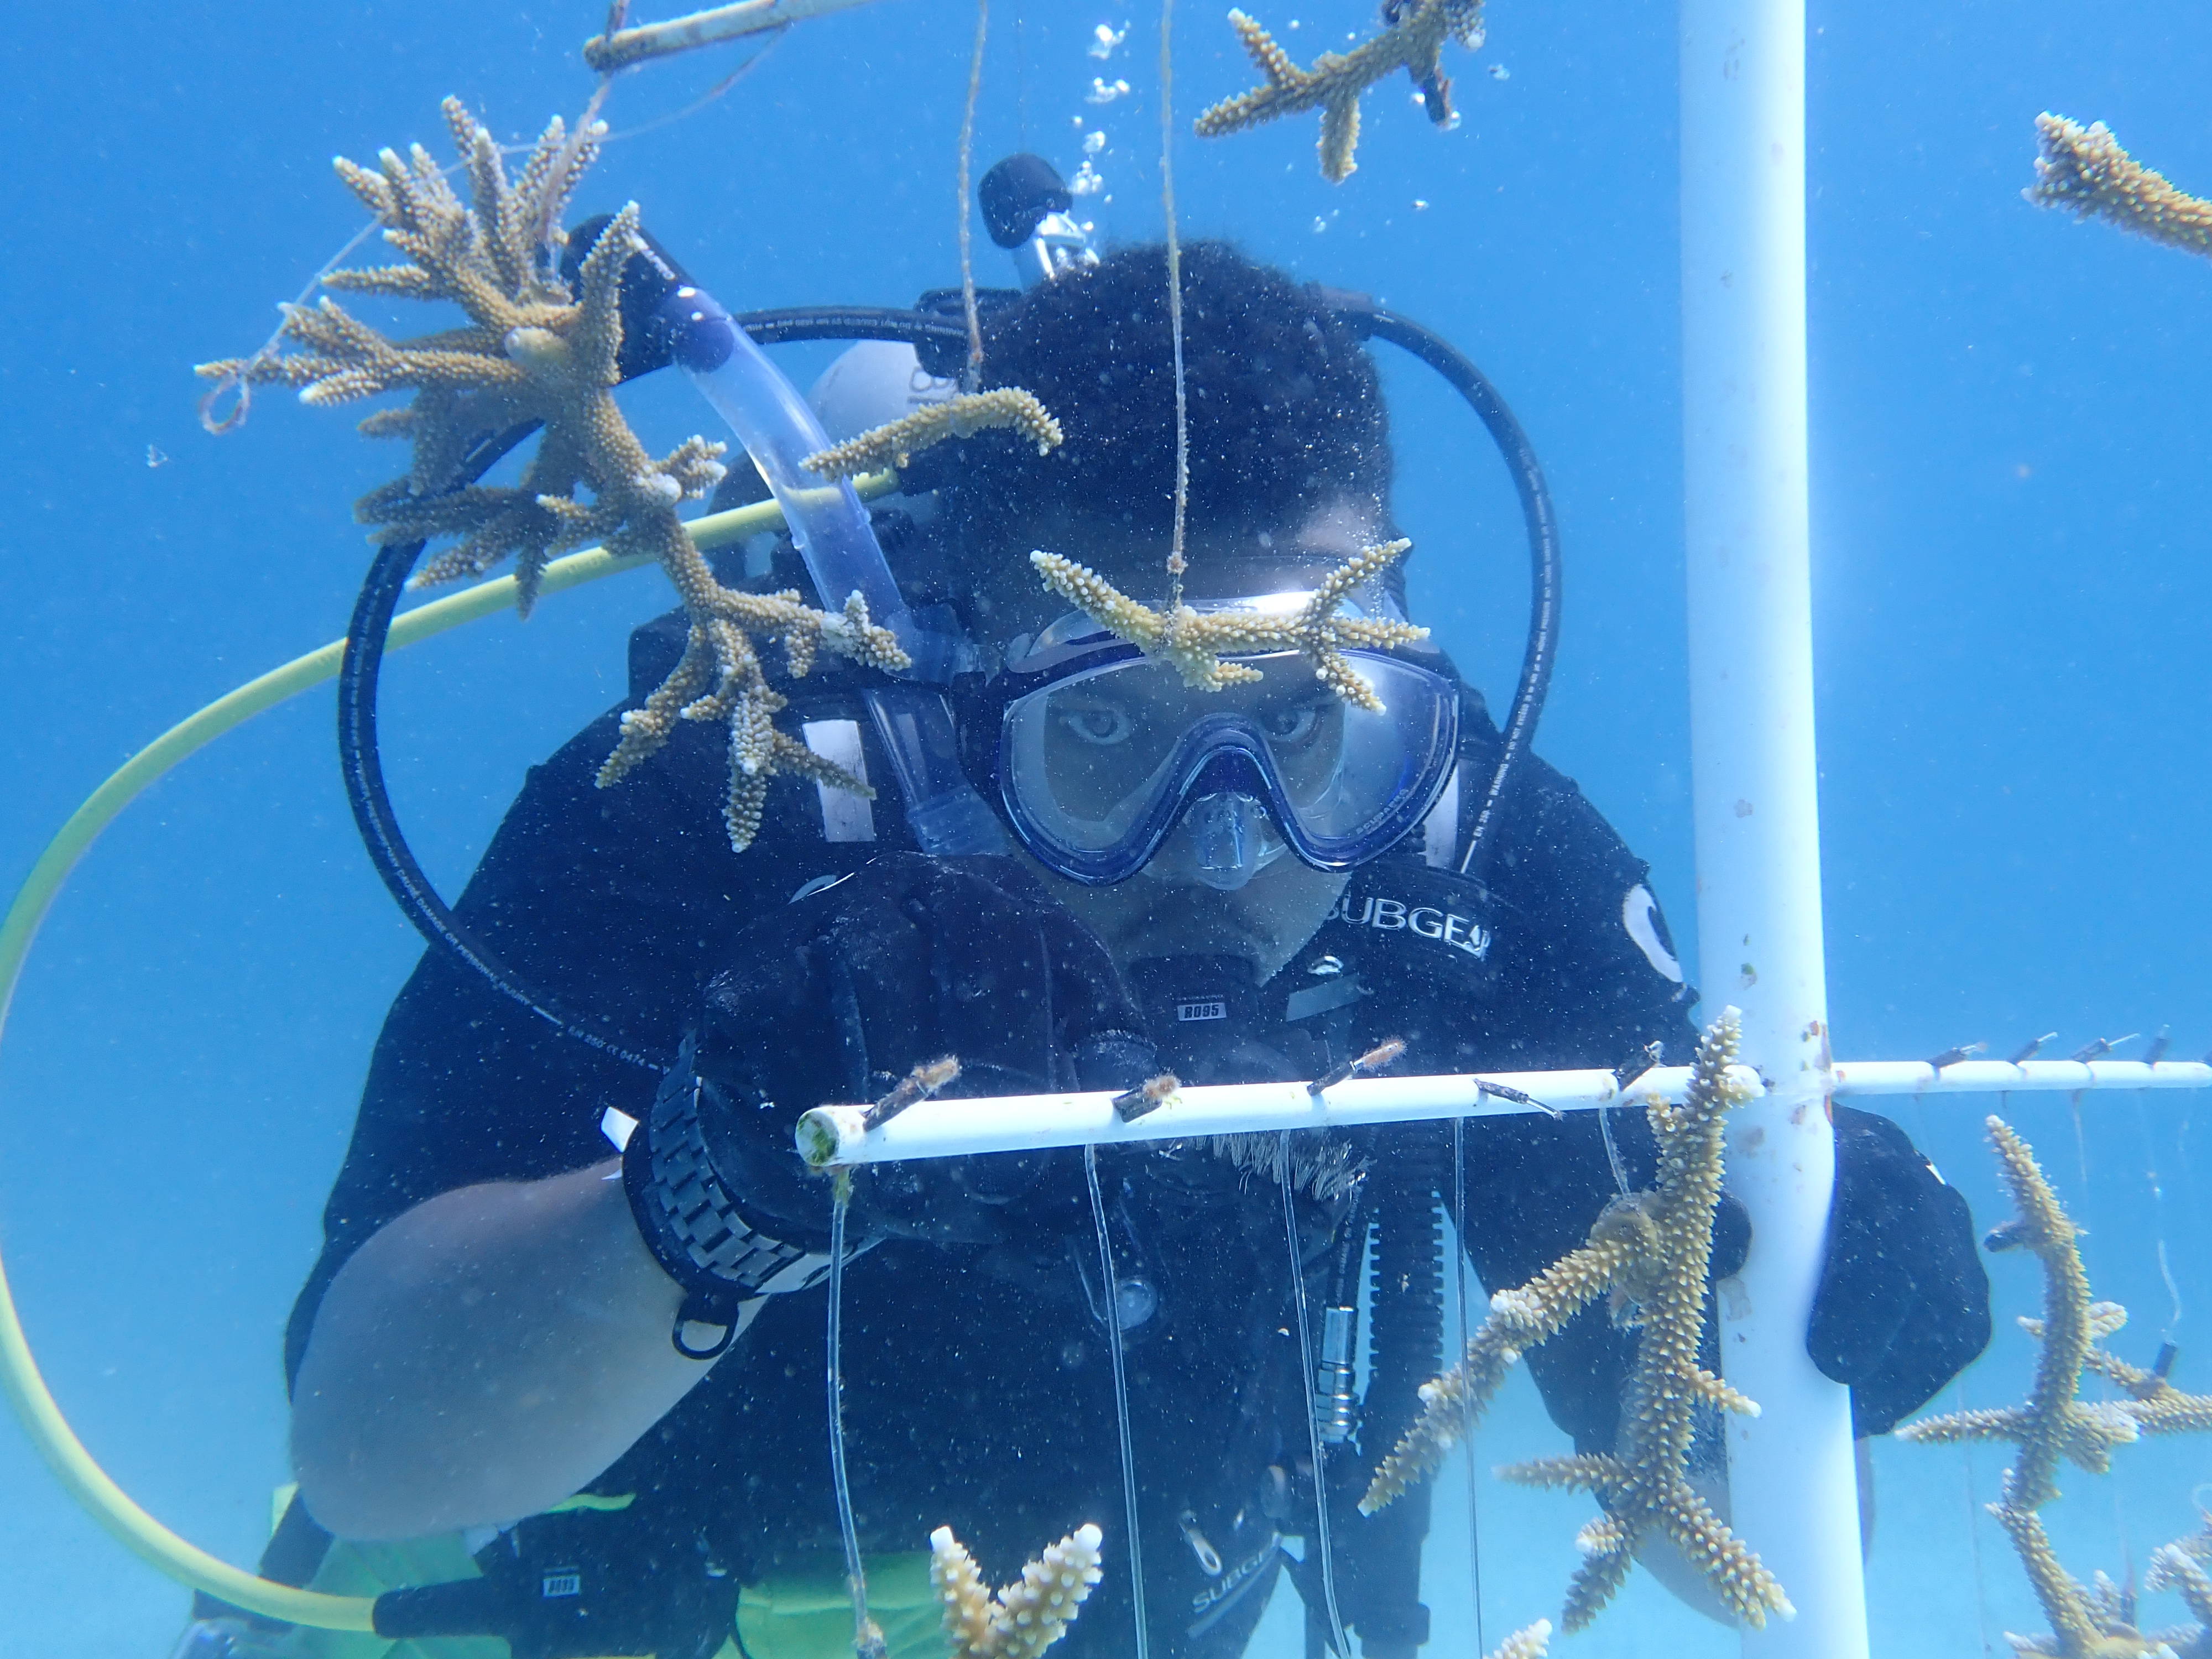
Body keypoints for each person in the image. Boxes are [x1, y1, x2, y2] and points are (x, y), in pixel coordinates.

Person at [271, 243, 1990, 1659]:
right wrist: (716, 1188)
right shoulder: (721, 793)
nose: (1228, 845)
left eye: (1308, 729)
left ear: (1403, 681)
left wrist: (1807, 1319)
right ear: (954, 705)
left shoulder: (1476, 865)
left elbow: (1718, 1554)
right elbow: (363, 1449)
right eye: (1112, 739)